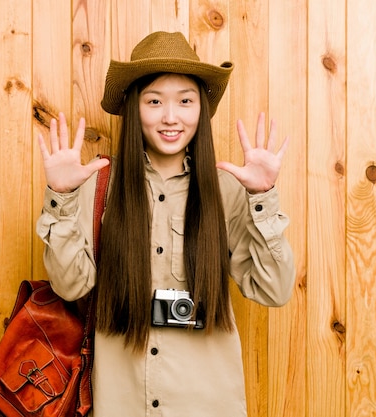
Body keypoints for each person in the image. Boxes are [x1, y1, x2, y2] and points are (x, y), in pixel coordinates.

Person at [36, 31, 295, 417]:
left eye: (185, 101)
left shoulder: (227, 191)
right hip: (121, 404)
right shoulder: (98, 187)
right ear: (133, 107)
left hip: (209, 404)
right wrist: (62, 195)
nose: (170, 117)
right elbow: (72, 284)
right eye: (154, 101)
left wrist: (262, 197)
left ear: (201, 110)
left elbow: (274, 289)